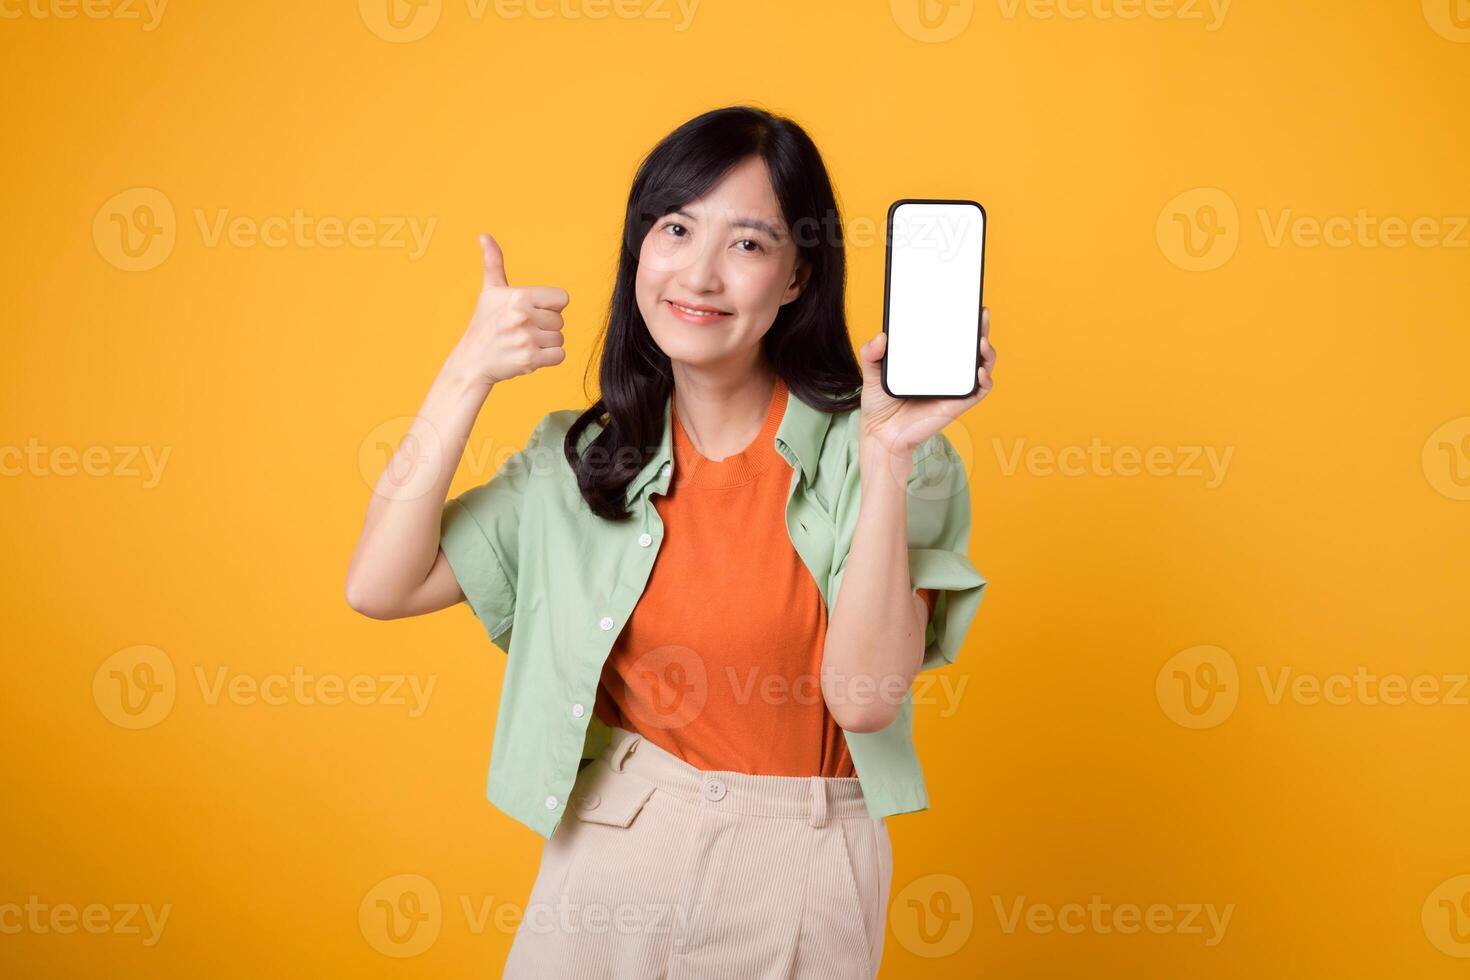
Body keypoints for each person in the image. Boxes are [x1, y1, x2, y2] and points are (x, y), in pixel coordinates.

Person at [346, 104, 994, 979]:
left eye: (749, 244)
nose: (699, 273)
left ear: (798, 278)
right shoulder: (582, 458)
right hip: (612, 843)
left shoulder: (894, 456)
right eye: (676, 227)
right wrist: (467, 371)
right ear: (639, 247)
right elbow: (380, 585)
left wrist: (884, 459)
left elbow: (867, 698)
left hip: (799, 863)